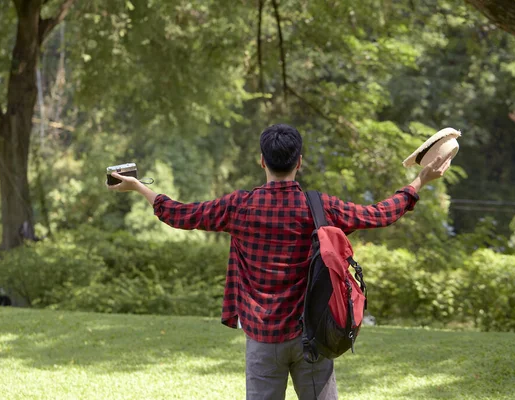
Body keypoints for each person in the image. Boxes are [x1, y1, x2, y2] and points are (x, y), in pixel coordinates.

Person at [107, 124, 453, 400]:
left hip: (262, 339)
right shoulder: (320, 207)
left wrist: (139, 187)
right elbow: (379, 214)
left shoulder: (238, 206)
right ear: (298, 162)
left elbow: (179, 213)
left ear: (262, 161)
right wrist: (420, 180)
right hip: (313, 337)